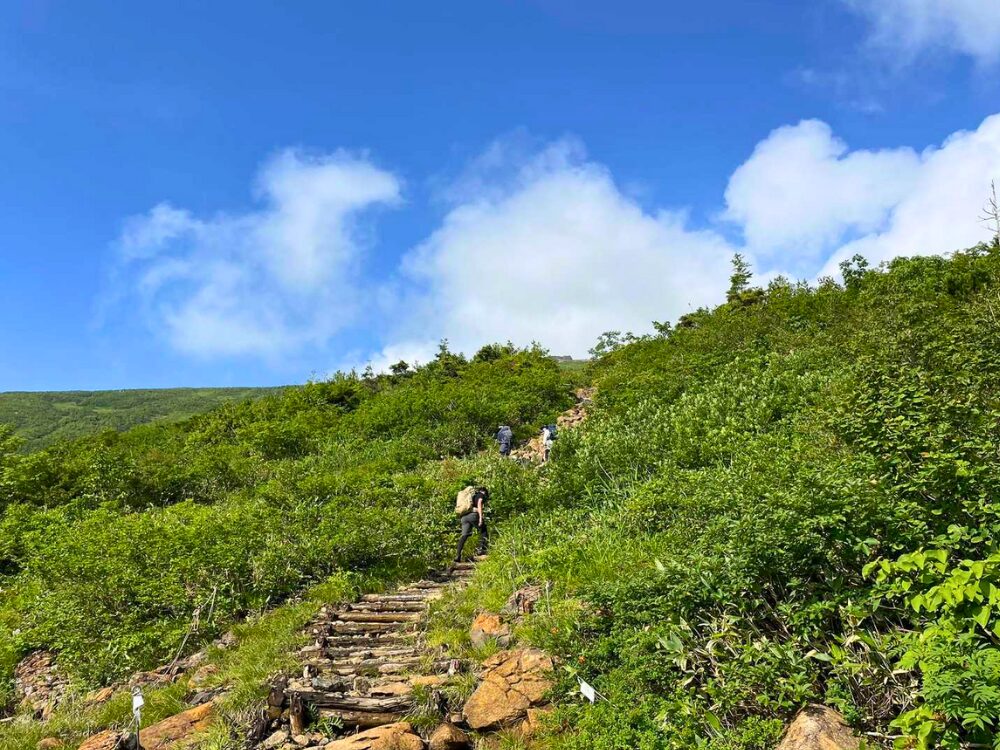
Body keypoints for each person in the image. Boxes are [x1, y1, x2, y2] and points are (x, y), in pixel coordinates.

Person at [456, 486, 489, 562]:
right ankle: (481, 550)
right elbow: (480, 503)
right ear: (484, 491)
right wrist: (480, 517)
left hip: (464, 517)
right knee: (483, 530)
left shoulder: (470, 496)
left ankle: (458, 555)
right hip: (473, 515)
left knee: (464, 536)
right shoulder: (480, 494)